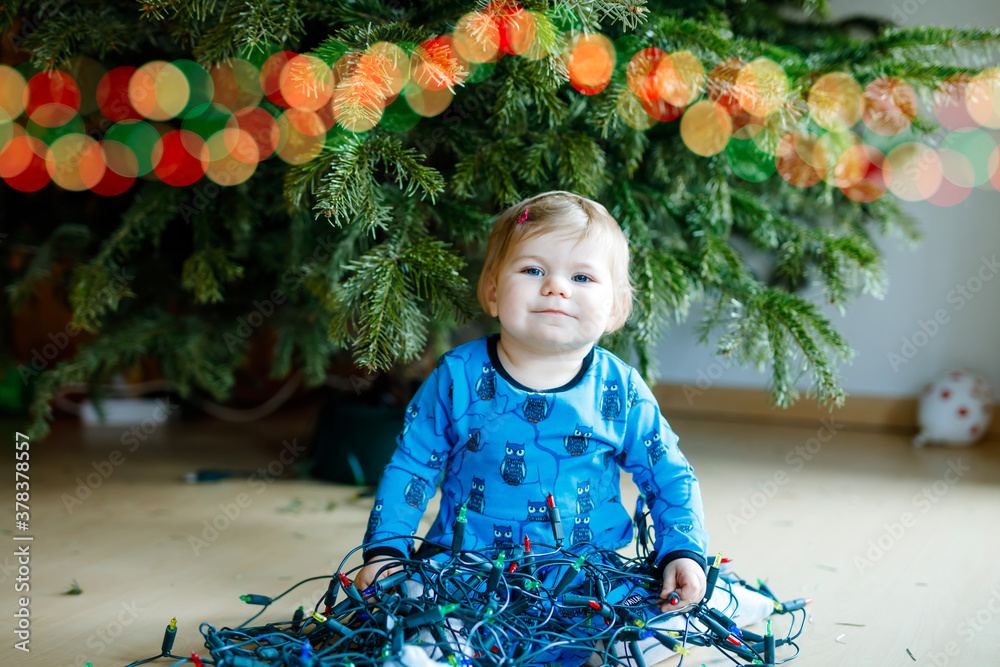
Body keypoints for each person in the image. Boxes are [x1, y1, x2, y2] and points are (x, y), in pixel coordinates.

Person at [354, 191, 709, 618]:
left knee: (641, 629)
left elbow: (669, 473)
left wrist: (683, 552)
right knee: (415, 619)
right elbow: (412, 467)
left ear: (615, 307)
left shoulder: (620, 388)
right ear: (493, 291)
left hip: (587, 574)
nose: (556, 286)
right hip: (465, 569)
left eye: (582, 277)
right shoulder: (457, 376)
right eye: (532, 270)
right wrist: (387, 549)